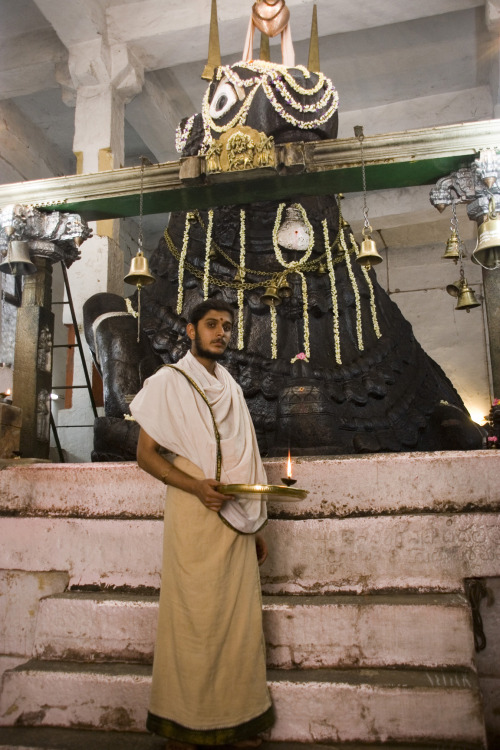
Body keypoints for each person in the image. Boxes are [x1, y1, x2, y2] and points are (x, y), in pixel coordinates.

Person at [130, 299, 275, 748]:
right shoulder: (169, 381)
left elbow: (241, 456)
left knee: (237, 621)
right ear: (191, 331)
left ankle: (238, 718)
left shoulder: (229, 384)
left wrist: (255, 524)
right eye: (211, 325)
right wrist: (195, 488)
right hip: (196, 512)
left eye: (227, 326)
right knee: (193, 618)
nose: (221, 333)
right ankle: (185, 724)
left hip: (234, 515)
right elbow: (146, 455)